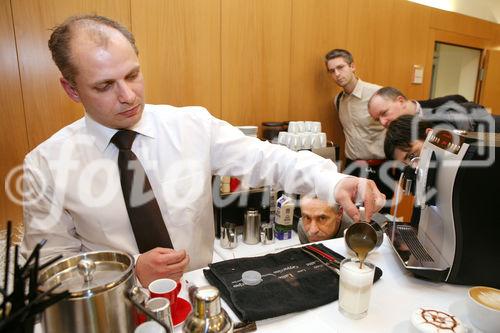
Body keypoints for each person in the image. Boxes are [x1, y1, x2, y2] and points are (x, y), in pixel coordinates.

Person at [21, 15, 385, 287]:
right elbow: (51, 266)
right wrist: (131, 271)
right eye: (104, 85)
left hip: (204, 294)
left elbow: (266, 158)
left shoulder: (191, 125)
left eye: (132, 75)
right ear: (71, 90)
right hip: (114, 304)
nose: (128, 96)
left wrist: (332, 180)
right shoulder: (46, 164)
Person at [324, 49, 391, 206]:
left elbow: (397, 126)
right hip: (352, 167)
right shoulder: (338, 100)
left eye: (341, 67)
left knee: (380, 217)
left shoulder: (377, 94)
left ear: (352, 66)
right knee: (350, 213)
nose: (337, 74)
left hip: (380, 168)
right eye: (332, 71)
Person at [367, 86, 496, 132]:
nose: (383, 123)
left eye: (384, 113)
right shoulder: (399, 133)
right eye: (378, 120)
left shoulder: (451, 104)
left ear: (401, 101)